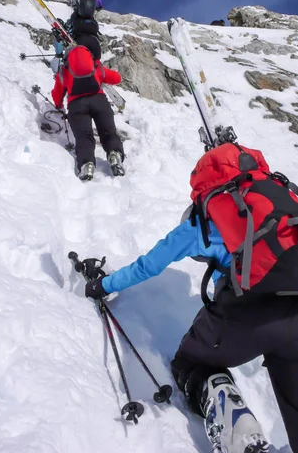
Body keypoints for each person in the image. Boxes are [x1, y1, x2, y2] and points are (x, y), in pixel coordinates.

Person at [85, 142, 298, 451]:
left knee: (192, 363)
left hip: (246, 314)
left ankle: (237, 428)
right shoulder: (276, 196)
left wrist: (103, 286)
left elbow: (148, 266)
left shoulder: (201, 222)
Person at [51, 45, 125, 181]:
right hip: (99, 101)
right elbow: (117, 78)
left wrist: (59, 105)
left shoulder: (63, 71)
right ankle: (114, 155)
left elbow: (57, 93)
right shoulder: (95, 66)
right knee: (108, 132)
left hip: (76, 105)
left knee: (84, 136)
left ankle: (87, 165)